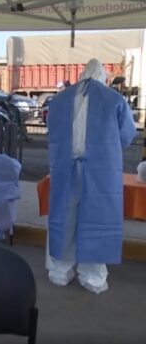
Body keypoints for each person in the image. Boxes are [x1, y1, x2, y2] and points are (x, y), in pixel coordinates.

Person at [45, 58, 136, 294]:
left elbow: (52, 132)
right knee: (99, 220)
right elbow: (126, 135)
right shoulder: (113, 99)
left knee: (64, 218)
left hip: (66, 168)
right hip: (100, 169)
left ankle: (59, 271)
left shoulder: (60, 99)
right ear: (102, 76)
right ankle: (93, 277)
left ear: (83, 74)